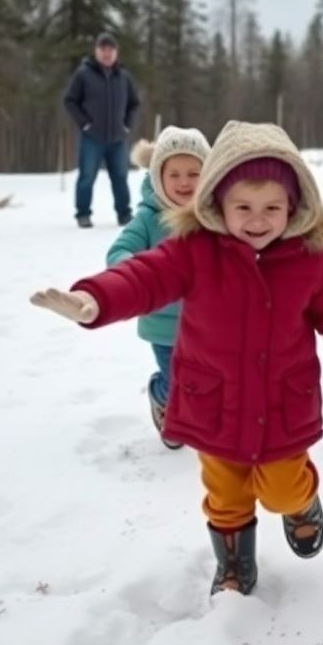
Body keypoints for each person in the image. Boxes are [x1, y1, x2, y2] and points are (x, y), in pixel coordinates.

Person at [31, 121, 323, 597]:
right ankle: (232, 560)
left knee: (282, 487)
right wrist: (96, 300)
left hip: (283, 406)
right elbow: (144, 276)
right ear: (216, 204)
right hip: (213, 403)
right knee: (225, 494)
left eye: (272, 207)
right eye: (242, 207)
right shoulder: (194, 250)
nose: (257, 219)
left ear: (294, 205)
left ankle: (302, 502)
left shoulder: (309, 257)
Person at [106, 126, 211, 449]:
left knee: (206, 380)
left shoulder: (215, 216)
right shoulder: (149, 219)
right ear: (157, 177)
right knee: (178, 380)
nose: (184, 182)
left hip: (208, 325)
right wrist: (138, 272)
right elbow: (118, 252)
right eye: (174, 174)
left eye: (194, 173)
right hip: (164, 325)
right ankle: (161, 395)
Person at [62, 32, 140, 228]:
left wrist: (126, 124)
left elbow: (134, 103)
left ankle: (124, 214)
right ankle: (83, 214)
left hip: (117, 139)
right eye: (103, 49)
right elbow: (70, 101)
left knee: (121, 177)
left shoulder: (123, 76)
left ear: (116, 53)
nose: (107, 53)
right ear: (96, 51)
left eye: (110, 50)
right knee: (87, 177)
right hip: (92, 137)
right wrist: (84, 123)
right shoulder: (83, 74)